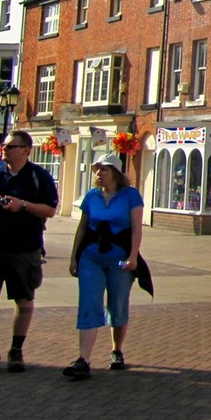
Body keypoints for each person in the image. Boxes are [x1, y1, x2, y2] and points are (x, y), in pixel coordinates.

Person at [0, 131, 58, 376]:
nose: (5, 150)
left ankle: (16, 350)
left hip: (25, 246)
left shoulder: (40, 176)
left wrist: (22, 205)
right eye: (4, 147)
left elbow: (50, 210)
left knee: (24, 299)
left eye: (11, 147)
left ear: (26, 150)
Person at [64, 152, 151, 381]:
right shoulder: (91, 196)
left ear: (115, 172)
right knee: (89, 304)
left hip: (119, 259)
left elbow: (136, 228)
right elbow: (82, 228)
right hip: (91, 257)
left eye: (104, 169)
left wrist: (133, 257)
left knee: (117, 306)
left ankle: (116, 350)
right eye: (97, 169)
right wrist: (74, 257)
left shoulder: (131, 196)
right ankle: (83, 359)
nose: (99, 173)